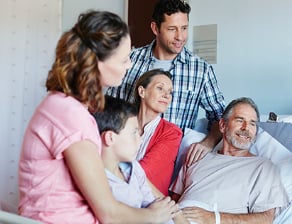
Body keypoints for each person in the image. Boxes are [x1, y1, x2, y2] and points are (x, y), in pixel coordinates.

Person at [18, 10, 178, 223]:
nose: (129, 65)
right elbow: (109, 213)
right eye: (124, 59)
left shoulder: (73, 108)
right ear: (97, 62)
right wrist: (153, 215)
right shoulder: (67, 113)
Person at [106, 0, 226, 165]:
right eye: (172, 29)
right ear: (155, 28)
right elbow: (110, 107)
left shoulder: (200, 69)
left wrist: (208, 142)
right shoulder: (131, 60)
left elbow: (220, 116)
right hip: (127, 155)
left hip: (171, 161)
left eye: (184, 28)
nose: (180, 37)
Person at [170, 97, 288, 224]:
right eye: (239, 120)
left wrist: (214, 218)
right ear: (222, 125)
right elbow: (174, 201)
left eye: (252, 123)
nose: (246, 128)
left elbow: (265, 219)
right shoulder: (197, 157)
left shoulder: (263, 167)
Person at [94, 96, 188, 224]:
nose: (140, 139)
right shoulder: (97, 182)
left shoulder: (131, 168)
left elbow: (160, 205)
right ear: (110, 138)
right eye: (134, 133)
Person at [125, 69, 182, 195]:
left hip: (147, 202)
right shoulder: (122, 123)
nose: (166, 95)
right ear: (142, 91)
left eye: (170, 92)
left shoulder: (172, 133)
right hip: (115, 191)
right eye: (160, 88)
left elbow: (143, 174)